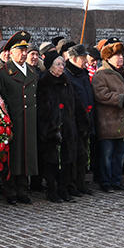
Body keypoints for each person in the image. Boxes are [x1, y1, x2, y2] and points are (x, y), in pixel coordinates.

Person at [0, 31, 38, 205]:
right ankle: (10, 190)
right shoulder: (3, 72)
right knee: (13, 156)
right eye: (20, 50)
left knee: (27, 154)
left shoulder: (32, 71)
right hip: (13, 121)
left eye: (25, 50)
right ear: (11, 52)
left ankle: (22, 189)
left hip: (29, 121)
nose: (24, 54)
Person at [92, 41, 124, 193]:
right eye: (116, 55)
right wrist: (121, 98)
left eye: (121, 55)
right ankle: (105, 181)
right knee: (107, 154)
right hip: (108, 121)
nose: (120, 58)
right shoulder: (101, 74)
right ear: (108, 58)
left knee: (120, 154)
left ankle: (116, 180)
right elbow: (101, 94)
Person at [37, 52, 81, 203]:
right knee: (52, 162)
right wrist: (52, 129)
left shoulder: (66, 82)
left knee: (67, 160)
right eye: (58, 64)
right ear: (50, 67)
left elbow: (76, 102)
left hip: (68, 127)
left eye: (63, 64)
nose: (62, 67)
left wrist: (81, 122)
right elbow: (43, 110)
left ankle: (64, 189)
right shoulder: (44, 84)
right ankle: (52, 191)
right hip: (53, 129)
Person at [63, 44, 94, 196]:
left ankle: (81, 183)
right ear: (74, 59)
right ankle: (72, 184)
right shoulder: (67, 75)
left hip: (85, 119)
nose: (86, 61)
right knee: (74, 155)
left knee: (83, 155)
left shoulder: (83, 74)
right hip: (73, 120)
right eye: (83, 58)